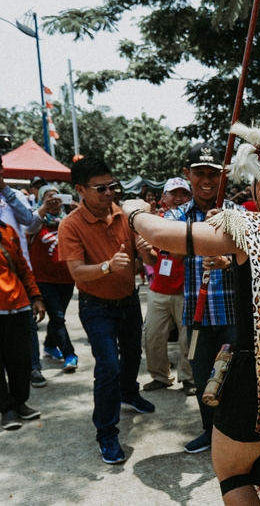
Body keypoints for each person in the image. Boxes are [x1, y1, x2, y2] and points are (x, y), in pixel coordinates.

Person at [124, 112, 260, 505]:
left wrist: (134, 210)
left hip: (255, 376)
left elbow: (161, 234)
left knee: (233, 473)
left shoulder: (250, 228)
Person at [58, 157, 157, 464]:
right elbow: (76, 272)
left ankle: (129, 392)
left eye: (112, 186)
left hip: (128, 300)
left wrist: (146, 250)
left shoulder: (125, 215)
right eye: (100, 188)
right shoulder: (70, 225)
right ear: (80, 190)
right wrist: (107, 266)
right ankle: (107, 434)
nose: (109, 193)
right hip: (96, 306)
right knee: (108, 367)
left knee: (132, 356)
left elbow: (152, 261)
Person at [166, 144, 242, 454]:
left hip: (233, 314)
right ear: (188, 176)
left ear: (222, 176)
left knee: (236, 379)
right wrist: (201, 232)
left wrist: (226, 251)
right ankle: (210, 432)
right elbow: (168, 249)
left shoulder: (238, 214)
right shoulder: (176, 215)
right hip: (196, 317)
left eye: (213, 174)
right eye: (200, 174)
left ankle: (237, 437)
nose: (207, 180)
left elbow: (255, 257)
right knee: (201, 378)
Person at [142, 177, 195, 395]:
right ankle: (160, 376)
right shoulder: (157, 222)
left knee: (187, 339)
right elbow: (151, 260)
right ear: (164, 197)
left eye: (183, 194)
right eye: (174, 194)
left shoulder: (195, 220)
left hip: (186, 291)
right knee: (152, 335)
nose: (178, 198)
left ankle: (189, 378)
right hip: (159, 289)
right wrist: (144, 250)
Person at [0, 203, 46, 430]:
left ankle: (19, 402)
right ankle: (6, 409)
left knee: (20, 359)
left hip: (18, 305)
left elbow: (22, 267)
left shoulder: (8, 231)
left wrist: (36, 297)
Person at [25, 184, 79, 373]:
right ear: (41, 199)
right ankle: (69, 354)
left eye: (57, 198)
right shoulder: (35, 221)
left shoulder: (68, 220)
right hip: (43, 279)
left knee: (58, 316)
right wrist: (44, 208)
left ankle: (49, 344)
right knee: (57, 316)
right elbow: (29, 227)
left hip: (66, 278)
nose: (55, 202)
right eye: (49, 198)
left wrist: (78, 211)